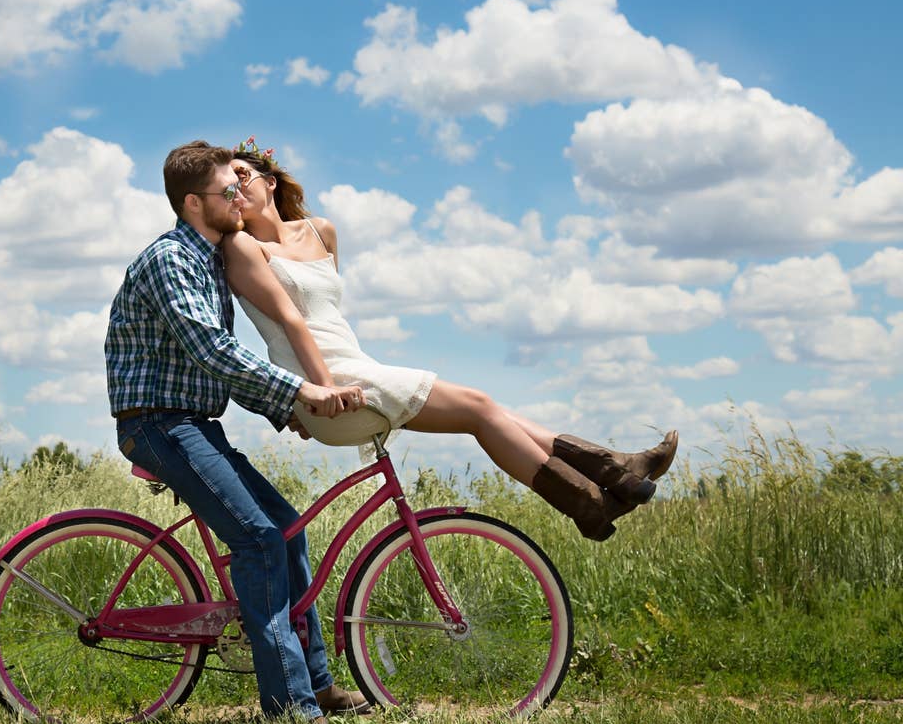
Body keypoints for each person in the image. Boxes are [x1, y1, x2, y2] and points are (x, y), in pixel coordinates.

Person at [223, 137, 678, 542]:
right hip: (327, 385)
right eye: (226, 187)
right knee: (480, 408)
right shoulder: (244, 248)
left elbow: (329, 318)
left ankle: (613, 477)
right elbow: (291, 324)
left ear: (270, 181)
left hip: (353, 367)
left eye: (242, 176)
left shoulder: (321, 232)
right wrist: (311, 393)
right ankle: (594, 496)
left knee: (488, 410)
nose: (236, 189)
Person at [104, 140, 370, 724]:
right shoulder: (172, 259)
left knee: (288, 530)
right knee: (259, 542)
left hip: (194, 423)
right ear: (195, 202)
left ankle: (318, 684)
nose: (240, 199)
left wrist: (285, 410)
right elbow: (214, 351)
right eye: (230, 190)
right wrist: (303, 392)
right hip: (158, 424)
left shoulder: (208, 262)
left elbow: (216, 366)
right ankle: (291, 713)